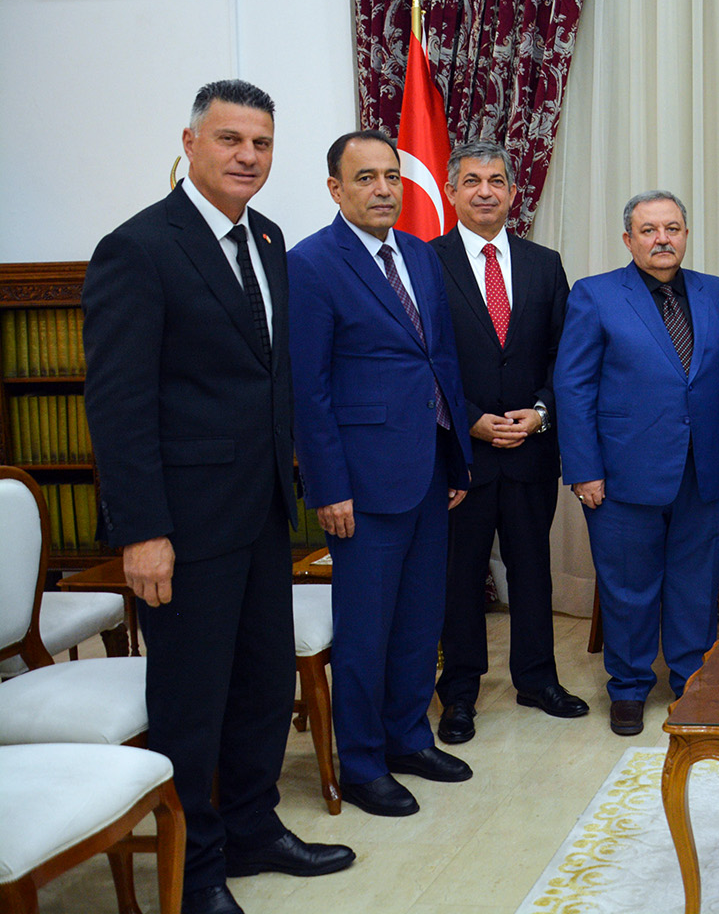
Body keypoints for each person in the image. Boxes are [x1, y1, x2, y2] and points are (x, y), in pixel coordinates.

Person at [83, 81, 354, 914]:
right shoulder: (138, 248)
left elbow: (271, 377)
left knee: (263, 685)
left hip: (262, 512)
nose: (247, 156)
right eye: (231, 139)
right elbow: (120, 405)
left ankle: (252, 828)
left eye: (261, 143)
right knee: (192, 701)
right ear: (191, 143)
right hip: (184, 526)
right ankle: (195, 868)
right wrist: (142, 531)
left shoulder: (267, 238)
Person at [288, 129, 475, 818]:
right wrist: (328, 487)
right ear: (335, 189)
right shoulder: (311, 263)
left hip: (428, 468)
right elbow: (308, 388)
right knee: (365, 632)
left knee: (419, 620)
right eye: (365, 177)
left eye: (391, 176)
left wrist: (455, 456)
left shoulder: (421, 254)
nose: (383, 189)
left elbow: (441, 361)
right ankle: (362, 763)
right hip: (362, 483)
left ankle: (407, 738)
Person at [556, 191, 719, 736]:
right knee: (627, 588)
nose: (662, 239)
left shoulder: (717, 292)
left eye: (672, 228)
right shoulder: (595, 294)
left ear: (686, 234)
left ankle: (692, 680)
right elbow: (573, 387)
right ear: (629, 239)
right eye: (649, 230)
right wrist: (584, 469)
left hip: (704, 470)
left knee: (696, 584)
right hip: (622, 473)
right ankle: (628, 687)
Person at [430, 140, 586, 745]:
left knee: (532, 570)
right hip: (462, 455)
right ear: (452, 191)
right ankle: (459, 692)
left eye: (496, 180)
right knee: (460, 577)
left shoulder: (544, 264)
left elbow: (564, 355)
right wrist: (469, 418)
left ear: (514, 192)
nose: (485, 191)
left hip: (530, 451)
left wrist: (542, 413)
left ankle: (537, 679)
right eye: (472, 181)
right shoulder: (426, 261)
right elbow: (425, 358)